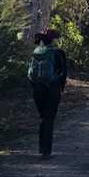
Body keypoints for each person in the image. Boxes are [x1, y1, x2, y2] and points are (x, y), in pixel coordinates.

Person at [27, 29, 67, 158]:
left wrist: (36, 87)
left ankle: (42, 148)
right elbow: (63, 73)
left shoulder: (36, 53)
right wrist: (61, 88)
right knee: (49, 119)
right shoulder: (58, 53)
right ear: (53, 40)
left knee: (43, 118)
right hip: (52, 90)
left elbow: (30, 74)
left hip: (38, 90)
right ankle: (46, 151)